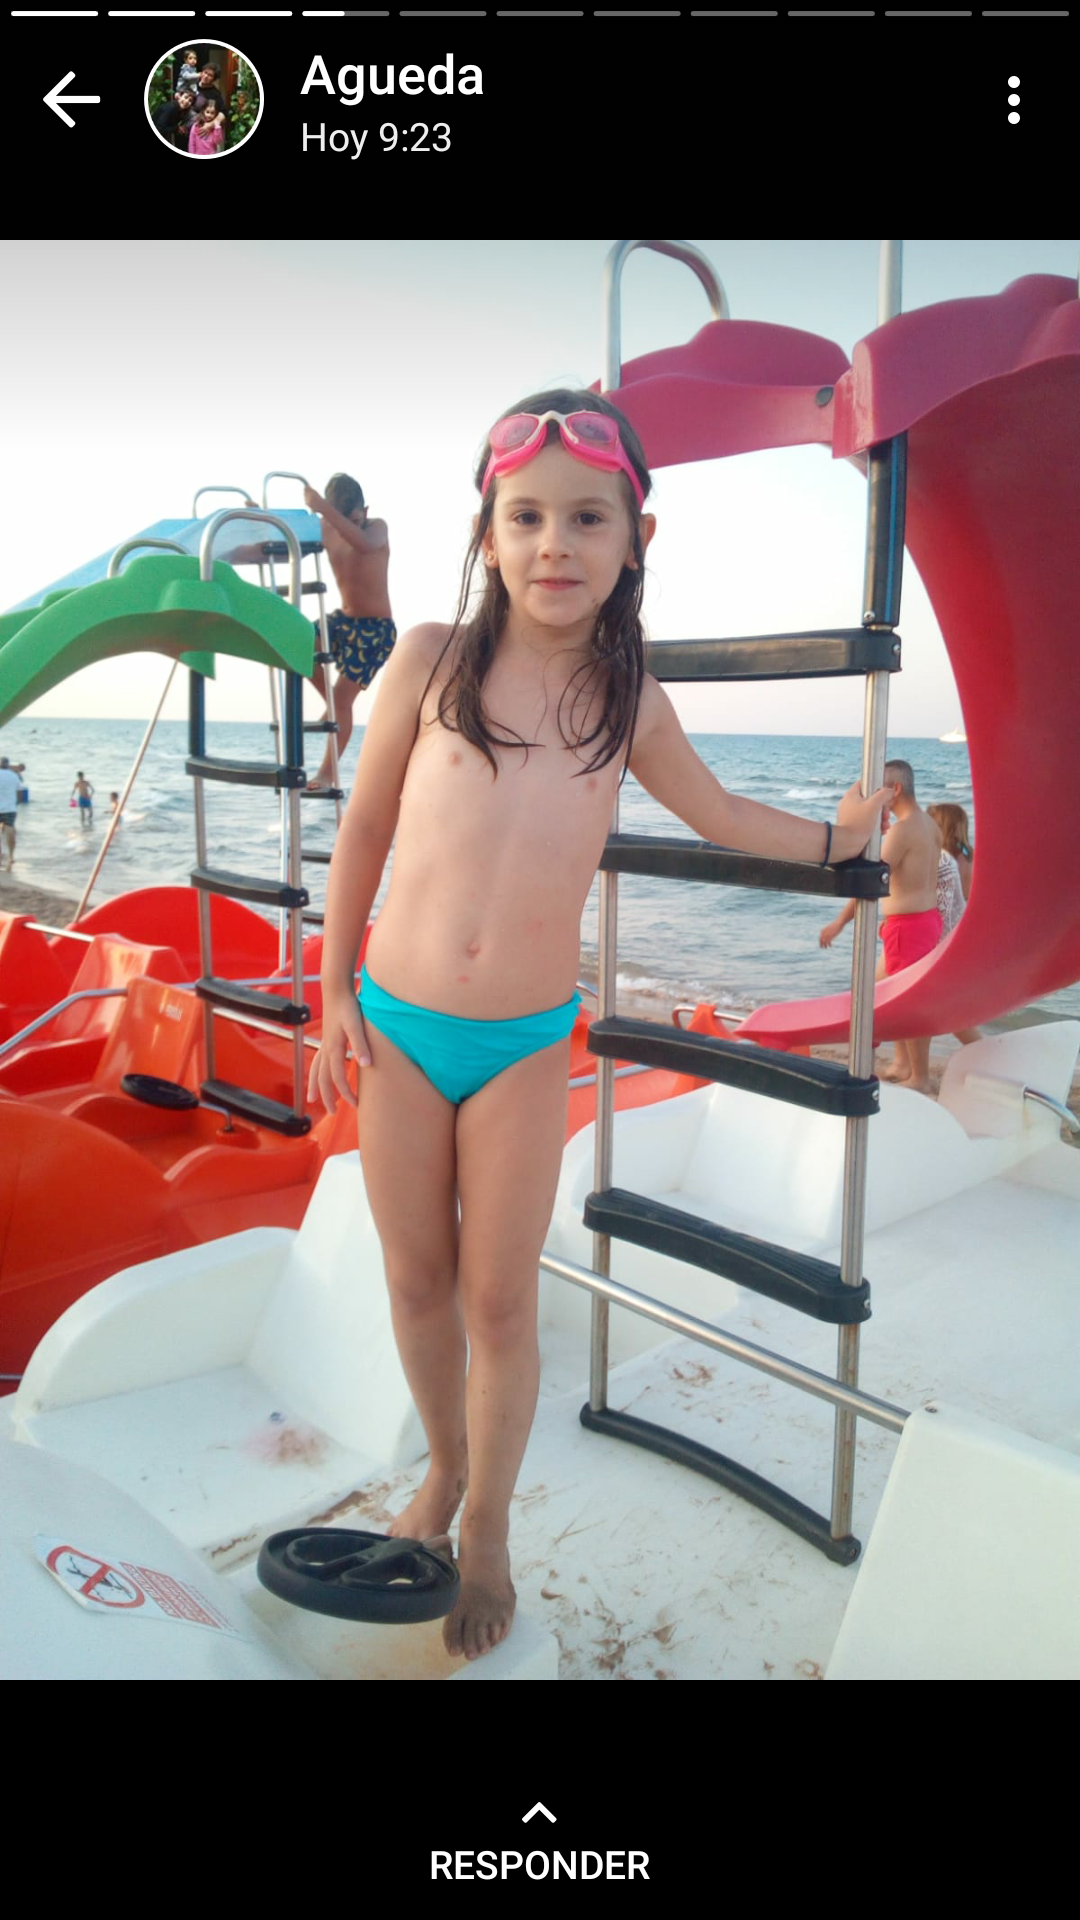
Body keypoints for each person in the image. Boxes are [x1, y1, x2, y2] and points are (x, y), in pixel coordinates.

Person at [308, 390, 889, 1662]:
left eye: (587, 519)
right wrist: (334, 987)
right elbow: (365, 829)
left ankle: (491, 1529)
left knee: (499, 1301)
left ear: (637, 540)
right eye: (526, 517)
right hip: (397, 1024)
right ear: (489, 532)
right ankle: (444, 1472)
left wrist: (841, 839)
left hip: (521, 1044)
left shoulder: (632, 702)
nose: (554, 545)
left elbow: (724, 817)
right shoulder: (428, 660)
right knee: (415, 1279)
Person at [820, 759, 941, 1092]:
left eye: (879, 790)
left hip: (908, 928)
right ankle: (903, 1063)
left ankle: (920, 1077)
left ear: (895, 789)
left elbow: (871, 880)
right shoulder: (930, 825)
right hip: (924, 921)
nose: (875, 797)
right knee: (879, 995)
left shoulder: (902, 831)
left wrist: (839, 923)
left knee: (908, 1003)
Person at [302, 474, 395, 788]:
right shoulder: (326, 527)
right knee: (300, 642)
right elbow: (288, 542)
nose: (348, 526)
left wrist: (325, 511)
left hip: (376, 631)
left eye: (354, 519)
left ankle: (328, 773)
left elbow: (364, 544)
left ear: (365, 511)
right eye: (343, 520)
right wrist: (259, 516)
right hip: (344, 621)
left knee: (343, 700)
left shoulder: (375, 528)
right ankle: (333, 705)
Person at [927, 801, 981, 1046]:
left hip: (941, 932)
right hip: (964, 928)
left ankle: (979, 1046)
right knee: (945, 999)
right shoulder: (971, 855)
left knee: (935, 999)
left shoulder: (942, 859)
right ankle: (979, 1046)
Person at [0, 756, 24, 869]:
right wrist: (16, 803)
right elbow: (20, 792)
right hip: (10, 809)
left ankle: (0, 854)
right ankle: (11, 856)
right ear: (8, 764)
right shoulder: (14, 776)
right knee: (10, 831)